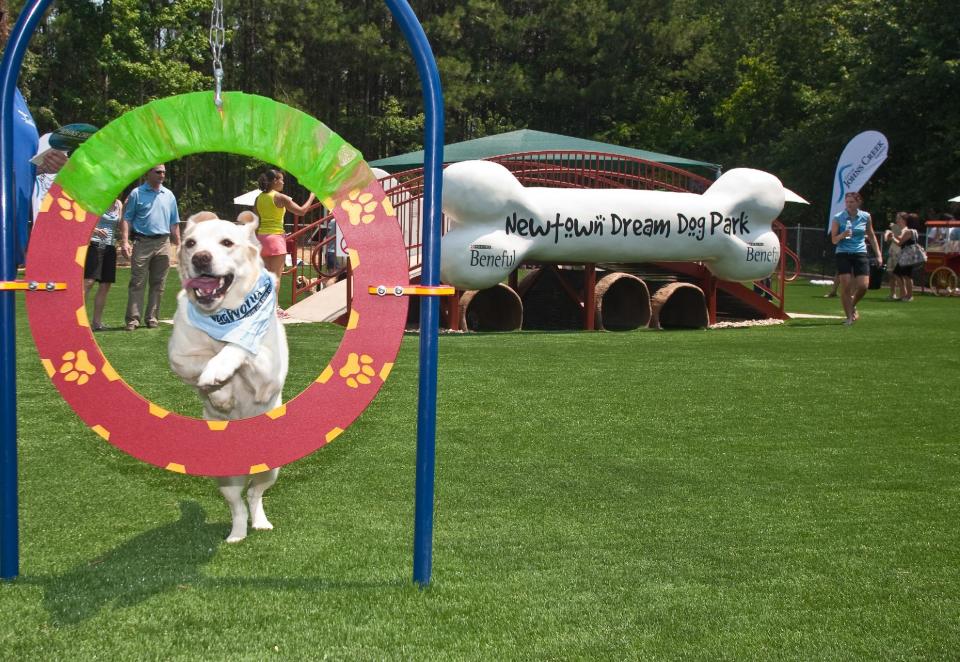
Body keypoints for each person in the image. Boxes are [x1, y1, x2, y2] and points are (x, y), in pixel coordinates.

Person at [119, 164, 180, 330]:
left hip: (163, 243)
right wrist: (125, 241)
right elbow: (127, 218)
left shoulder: (169, 195)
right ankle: (133, 320)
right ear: (148, 173)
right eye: (158, 172)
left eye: (164, 172)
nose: (162, 175)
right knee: (137, 282)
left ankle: (152, 318)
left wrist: (180, 245)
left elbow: (174, 223)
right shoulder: (136, 193)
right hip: (142, 242)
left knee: (159, 283)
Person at [254, 169, 315, 313]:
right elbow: (301, 211)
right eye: (281, 180)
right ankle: (274, 309)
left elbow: (256, 220)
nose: (283, 182)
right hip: (275, 240)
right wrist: (312, 195)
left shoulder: (258, 198)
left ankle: (261, 307)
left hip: (261, 239)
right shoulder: (281, 197)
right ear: (275, 181)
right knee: (275, 277)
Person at [830, 191, 882, 325]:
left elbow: (871, 235)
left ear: (858, 202)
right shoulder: (838, 217)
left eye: (852, 202)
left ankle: (852, 305)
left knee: (863, 286)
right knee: (846, 285)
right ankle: (848, 317)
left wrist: (878, 255)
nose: (849, 204)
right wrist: (842, 235)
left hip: (860, 252)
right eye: (847, 202)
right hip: (843, 253)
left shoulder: (865, 216)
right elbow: (834, 240)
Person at [83, 199, 122, 330]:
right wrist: (95, 230)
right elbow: (84, 221)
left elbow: (120, 225)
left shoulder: (118, 204)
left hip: (110, 247)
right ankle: (80, 321)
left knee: (105, 285)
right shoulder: (98, 199)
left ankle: (97, 323)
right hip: (95, 245)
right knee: (88, 282)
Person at [890, 212, 921, 302]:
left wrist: (892, 237)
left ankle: (908, 295)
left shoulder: (909, 231)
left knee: (904, 275)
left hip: (907, 256)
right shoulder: (915, 231)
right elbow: (901, 238)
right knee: (904, 275)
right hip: (909, 256)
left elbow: (900, 242)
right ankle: (905, 294)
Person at [884, 212, 905, 300]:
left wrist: (893, 228)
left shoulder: (905, 229)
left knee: (898, 275)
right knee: (891, 274)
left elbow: (900, 238)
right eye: (897, 218)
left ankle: (903, 293)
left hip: (899, 254)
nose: (897, 220)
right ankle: (892, 293)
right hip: (892, 253)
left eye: (899, 218)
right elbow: (886, 239)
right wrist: (888, 234)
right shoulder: (895, 228)